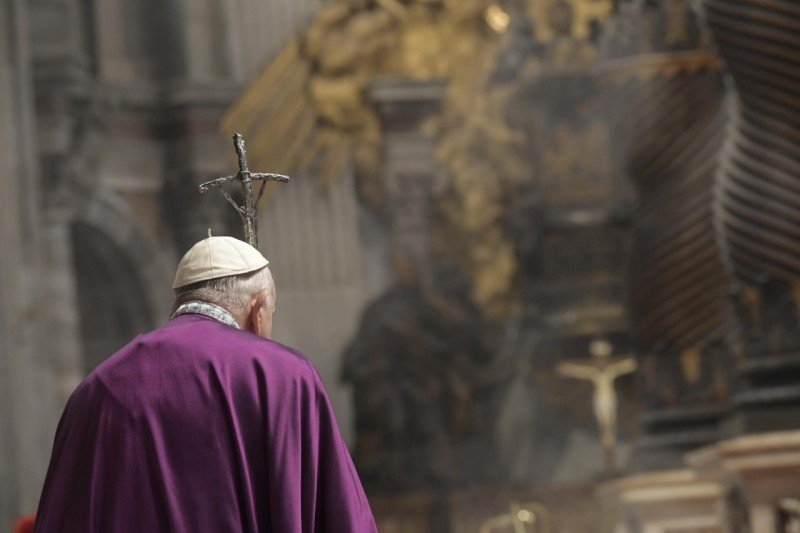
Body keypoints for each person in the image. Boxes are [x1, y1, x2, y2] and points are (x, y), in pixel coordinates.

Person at [35, 236, 378, 532]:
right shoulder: (283, 376)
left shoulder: (98, 389)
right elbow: (340, 516)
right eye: (271, 313)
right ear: (258, 309)